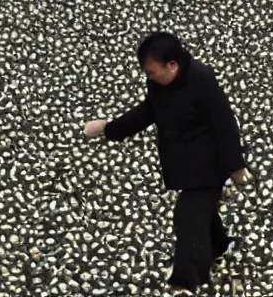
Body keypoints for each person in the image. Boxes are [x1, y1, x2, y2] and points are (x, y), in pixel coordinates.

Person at [82, 31, 252, 294]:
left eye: (151, 71)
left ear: (172, 65)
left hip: (210, 165)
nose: (148, 76)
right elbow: (147, 111)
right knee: (201, 214)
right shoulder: (159, 84)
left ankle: (186, 281)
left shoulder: (203, 81)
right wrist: (110, 129)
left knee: (187, 216)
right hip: (184, 162)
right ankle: (220, 245)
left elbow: (224, 125)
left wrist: (236, 168)